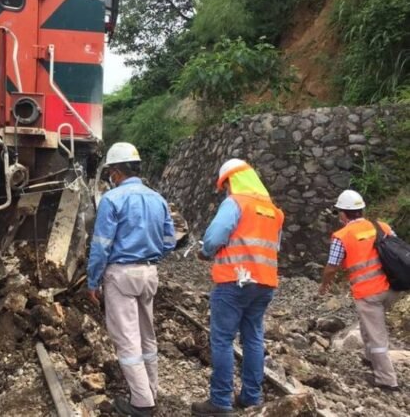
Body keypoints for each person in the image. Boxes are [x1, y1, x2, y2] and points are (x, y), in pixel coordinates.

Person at [87, 142, 176, 417]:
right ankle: (151, 389)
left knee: (126, 339)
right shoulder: (157, 199)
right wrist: (149, 255)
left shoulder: (112, 200)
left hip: (121, 275)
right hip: (149, 273)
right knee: (147, 335)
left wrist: (93, 281)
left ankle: (142, 403)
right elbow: (170, 241)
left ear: (115, 172)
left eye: (110, 173)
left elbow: (101, 245)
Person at [192, 159, 284, 416]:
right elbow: (274, 247)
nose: (226, 191)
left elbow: (215, 235)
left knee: (222, 339)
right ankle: (251, 398)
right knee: (253, 337)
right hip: (264, 282)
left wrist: (206, 251)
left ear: (233, 181)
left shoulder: (236, 203)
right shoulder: (274, 211)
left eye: (226, 186)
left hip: (234, 281)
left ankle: (220, 401)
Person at [318, 189, 401, 391]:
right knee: (368, 323)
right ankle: (370, 358)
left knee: (376, 334)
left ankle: (387, 380)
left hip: (369, 292)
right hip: (392, 288)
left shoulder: (342, 235)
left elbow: (332, 266)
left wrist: (324, 284)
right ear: (362, 210)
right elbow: (396, 249)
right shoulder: (381, 226)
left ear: (343, 214)